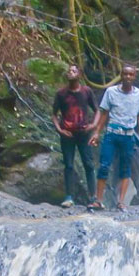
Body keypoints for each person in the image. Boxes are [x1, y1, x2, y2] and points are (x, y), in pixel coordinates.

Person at [89, 65, 139, 211]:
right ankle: (98, 200)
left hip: (128, 136)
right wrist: (97, 132)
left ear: (134, 77)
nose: (128, 77)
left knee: (125, 168)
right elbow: (104, 113)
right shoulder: (111, 92)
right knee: (104, 166)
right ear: (121, 75)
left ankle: (121, 202)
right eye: (125, 74)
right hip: (111, 133)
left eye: (131, 75)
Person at [51, 65, 98, 208]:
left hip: (84, 133)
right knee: (69, 165)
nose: (70, 73)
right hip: (68, 135)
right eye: (69, 71)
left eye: (73, 71)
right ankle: (69, 197)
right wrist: (59, 130)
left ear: (80, 74)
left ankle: (93, 197)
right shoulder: (61, 94)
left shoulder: (87, 91)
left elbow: (97, 110)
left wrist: (93, 125)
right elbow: (54, 114)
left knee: (89, 164)